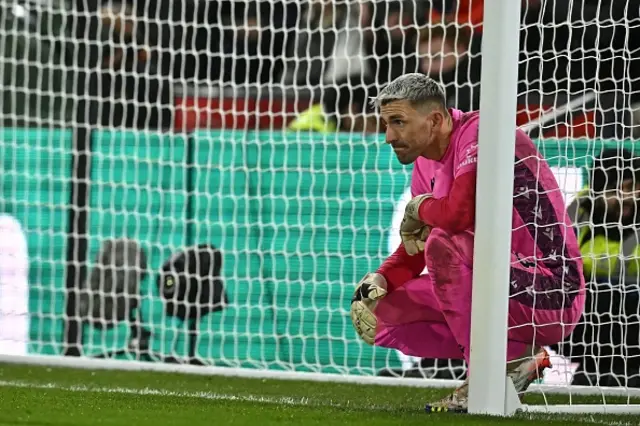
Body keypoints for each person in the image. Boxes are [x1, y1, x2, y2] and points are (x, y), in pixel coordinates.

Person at [349, 73, 586, 412]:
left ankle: (486, 376)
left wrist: (420, 208)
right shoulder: (424, 164)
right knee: (380, 311)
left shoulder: (480, 132)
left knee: (445, 244)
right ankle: (516, 355)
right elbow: (420, 242)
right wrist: (382, 278)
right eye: (385, 124)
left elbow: (456, 217)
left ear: (434, 119)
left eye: (398, 122)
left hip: (551, 291)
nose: (388, 136)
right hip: (494, 284)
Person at [555, 148, 640, 387]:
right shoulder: (576, 212)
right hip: (587, 319)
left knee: (616, 292)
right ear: (597, 191)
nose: (627, 197)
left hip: (632, 316)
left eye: (632, 187)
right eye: (616, 190)